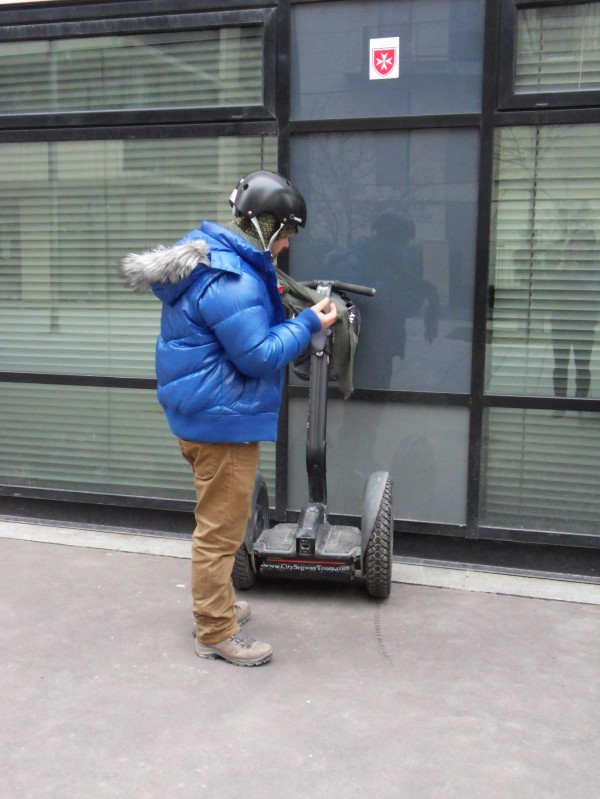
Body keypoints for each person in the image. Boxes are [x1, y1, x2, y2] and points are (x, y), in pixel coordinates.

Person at [119, 170, 337, 666]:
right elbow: (258, 356)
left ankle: (215, 605)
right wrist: (308, 323)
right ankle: (215, 629)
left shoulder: (212, 259)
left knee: (218, 523)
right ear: (264, 226)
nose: (286, 246)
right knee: (220, 532)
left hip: (205, 414)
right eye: (285, 234)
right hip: (222, 423)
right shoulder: (232, 279)